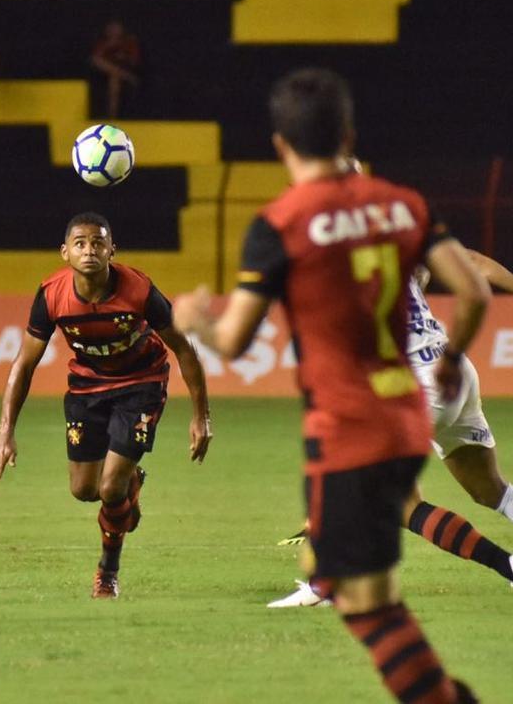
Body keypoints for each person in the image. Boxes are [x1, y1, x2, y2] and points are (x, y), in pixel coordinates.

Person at [174, 68, 483, 704]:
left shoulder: (281, 224)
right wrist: (451, 358)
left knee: (361, 602)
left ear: (280, 145)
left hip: (347, 431)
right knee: (372, 592)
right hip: (409, 418)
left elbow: (232, 342)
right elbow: (473, 291)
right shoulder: (404, 203)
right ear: (347, 133)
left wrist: (194, 319)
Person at [272, 223, 513, 614]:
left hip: (420, 387)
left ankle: (324, 585)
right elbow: (470, 263)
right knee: (486, 490)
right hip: (452, 371)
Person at [0, 212, 212, 599]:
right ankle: (130, 483)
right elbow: (23, 365)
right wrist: (5, 433)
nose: (90, 250)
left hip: (141, 385)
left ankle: (108, 570)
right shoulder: (52, 295)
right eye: (81, 243)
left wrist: (201, 416)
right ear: (65, 252)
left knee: (109, 488)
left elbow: (184, 349)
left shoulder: (139, 290)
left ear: (111, 250)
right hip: (87, 389)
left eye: (98, 243)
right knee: (84, 490)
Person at [90, 19, 140, 120]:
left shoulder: (129, 42)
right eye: (111, 28)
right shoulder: (102, 43)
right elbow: (95, 59)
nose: (113, 30)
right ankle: (112, 116)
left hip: (126, 71)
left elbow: (134, 61)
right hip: (105, 75)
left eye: (116, 27)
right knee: (112, 76)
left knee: (114, 79)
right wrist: (109, 45)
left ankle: (112, 116)